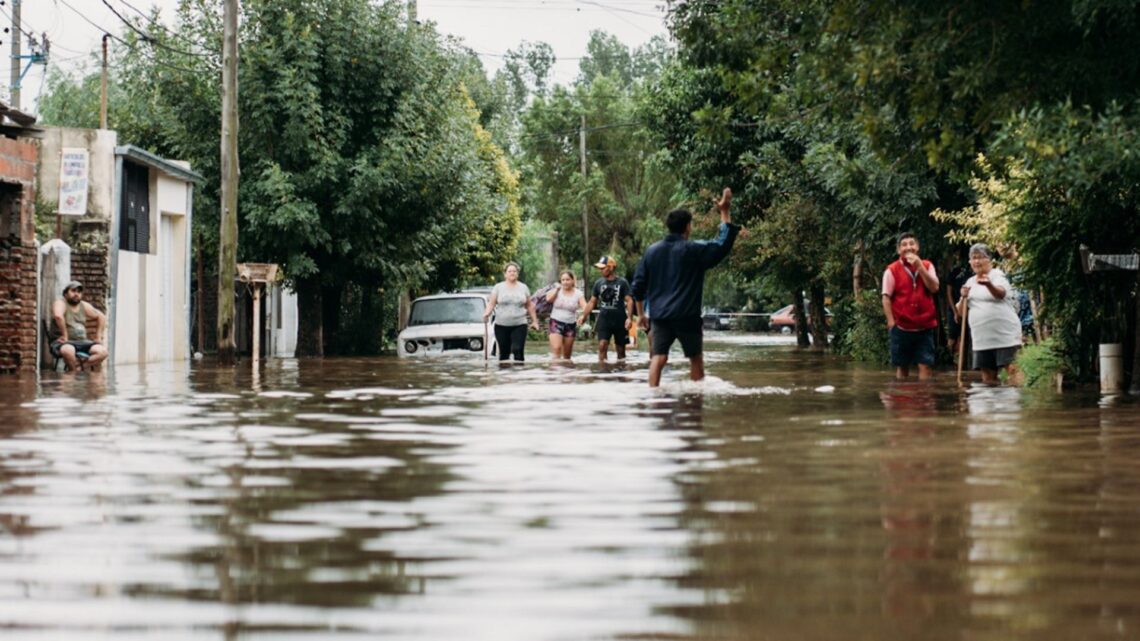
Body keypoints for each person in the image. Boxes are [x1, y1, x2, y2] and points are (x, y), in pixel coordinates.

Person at [631, 187, 741, 387]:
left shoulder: (651, 252)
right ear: (688, 227)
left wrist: (641, 315)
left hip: (660, 317)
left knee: (658, 357)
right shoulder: (694, 250)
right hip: (687, 316)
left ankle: (652, 397)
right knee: (695, 358)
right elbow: (722, 244)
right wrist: (724, 212)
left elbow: (637, 286)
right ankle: (695, 399)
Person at [958, 243, 1021, 384]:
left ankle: (1015, 403)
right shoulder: (969, 282)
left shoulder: (997, 275)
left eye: (981, 257)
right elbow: (961, 313)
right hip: (982, 339)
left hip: (1005, 336)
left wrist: (988, 284)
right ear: (969, 261)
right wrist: (963, 297)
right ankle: (989, 404)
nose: (977, 261)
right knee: (987, 375)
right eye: (973, 258)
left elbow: (1001, 293)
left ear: (990, 260)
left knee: (1012, 369)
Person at [882, 231, 940, 380]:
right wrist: (891, 323)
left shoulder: (927, 265)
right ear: (898, 250)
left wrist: (920, 267)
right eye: (904, 245)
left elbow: (934, 288)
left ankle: (924, 399)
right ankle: (902, 400)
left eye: (911, 244)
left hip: (925, 326)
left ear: (918, 247)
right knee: (902, 366)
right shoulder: (892, 270)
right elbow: (886, 298)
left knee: (925, 365)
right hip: (901, 326)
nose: (908, 247)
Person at [578, 255, 634, 362]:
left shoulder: (622, 282)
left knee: (621, 350)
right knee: (602, 345)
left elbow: (629, 300)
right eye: (600, 268)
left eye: (603, 268)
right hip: (604, 319)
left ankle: (620, 372)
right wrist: (584, 315)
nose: (600, 270)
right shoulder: (598, 283)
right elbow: (592, 302)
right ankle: (603, 370)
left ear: (611, 267)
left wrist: (630, 318)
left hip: (620, 319)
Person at [483, 262, 539, 362]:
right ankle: (505, 376)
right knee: (504, 354)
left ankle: (519, 375)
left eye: (514, 271)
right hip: (501, 325)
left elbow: (529, 305)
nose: (512, 273)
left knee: (517, 350)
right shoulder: (498, 287)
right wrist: (487, 313)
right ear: (505, 274)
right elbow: (492, 303)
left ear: (517, 273)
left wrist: (535, 321)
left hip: (519, 324)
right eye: (509, 271)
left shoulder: (523, 287)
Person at [49, 280, 109, 371]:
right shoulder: (60, 303)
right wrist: (65, 336)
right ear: (65, 293)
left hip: (83, 342)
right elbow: (58, 316)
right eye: (73, 291)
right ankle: (73, 373)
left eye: (79, 292)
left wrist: (98, 337)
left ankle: (76, 369)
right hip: (64, 342)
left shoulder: (84, 305)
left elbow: (101, 317)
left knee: (103, 352)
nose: (76, 294)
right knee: (68, 351)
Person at [545, 270, 586, 360]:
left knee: (567, 355)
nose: (565, 282)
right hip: (555, 322)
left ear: (572, 281)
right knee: (557, 349)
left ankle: (566, 373)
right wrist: (556, 290)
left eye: (567, 280)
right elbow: (548, 299)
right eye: (563, 280)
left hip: (570, 324)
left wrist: (583, 316)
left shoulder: (578, 293)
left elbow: (585, 307)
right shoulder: (556, 290)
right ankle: (555, 372)